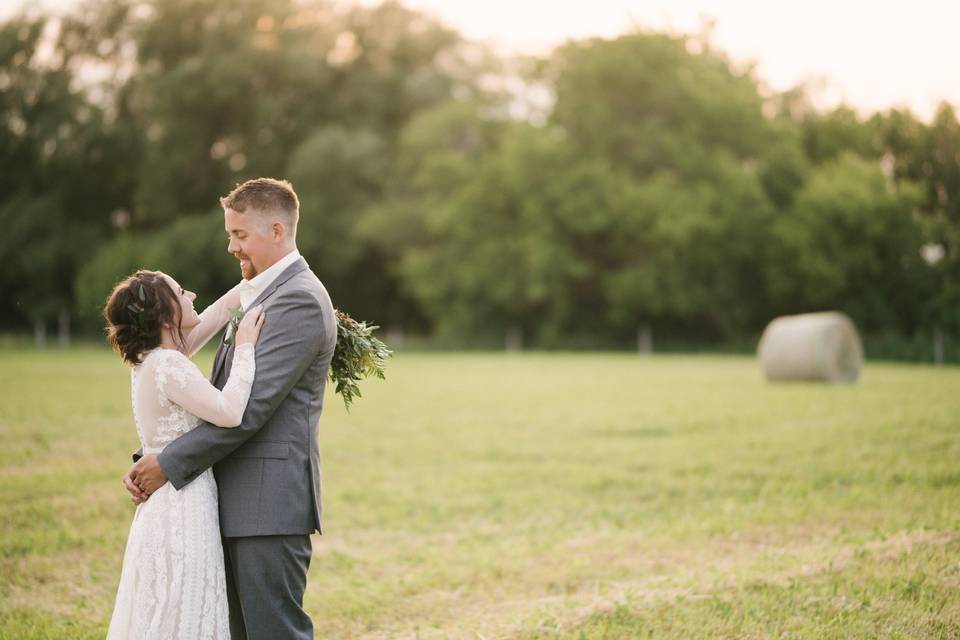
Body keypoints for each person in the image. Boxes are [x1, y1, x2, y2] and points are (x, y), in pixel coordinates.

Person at [124, 177, 338, 640]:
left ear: (277, 231)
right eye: (230, 235)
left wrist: (170, 464)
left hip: (267, 506)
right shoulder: (257, 293)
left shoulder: (297, 299)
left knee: (273, 633)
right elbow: (188, 376)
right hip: (233, 499)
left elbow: (252, 409)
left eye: (240, 235)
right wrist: (151, 457)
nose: (231, 247)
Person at [104, 269, 264, 639]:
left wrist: (254, 279)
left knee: (170, 606)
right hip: (183, 502)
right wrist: (245, 346)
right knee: (183, 609)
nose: (191, 294)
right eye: (181, 291)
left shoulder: (153, 358)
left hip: (164, 500)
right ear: (165, 315)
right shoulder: (169, 364)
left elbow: (214, 314)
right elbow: (229, 411)